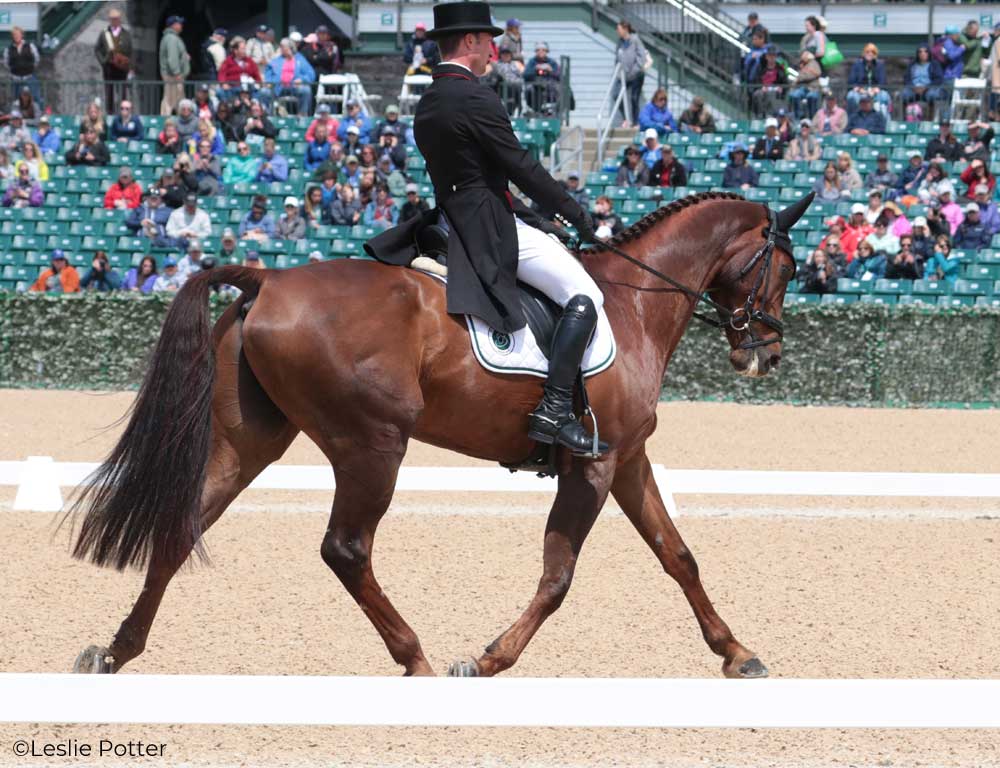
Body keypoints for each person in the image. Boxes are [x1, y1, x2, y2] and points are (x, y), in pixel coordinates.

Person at [366, 2, 605, 455]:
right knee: (587, 294)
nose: (495, 49)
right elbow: (519, 166)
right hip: (488, 224)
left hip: (451, 218)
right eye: (489, 40)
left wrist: (539, 218)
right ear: (472, 41)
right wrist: (576, 214)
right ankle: (554, 411)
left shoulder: (430, 100)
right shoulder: (475, 96)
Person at [264, 38, 316, 115]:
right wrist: (269, 82)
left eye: (283, 46)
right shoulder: (276, 60)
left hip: (294, 87)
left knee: (305, 90)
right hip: (278, 87)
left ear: (290, 47)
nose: (280, 48)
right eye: (280, 46)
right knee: (264, 92)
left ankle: (302, 115)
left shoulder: (300, 59)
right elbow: (268, 73)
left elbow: (311, 74)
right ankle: (268, 116)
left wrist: (302, 80)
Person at [94, 8, 132, 110]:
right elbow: (97, 49)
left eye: (116, 18)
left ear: (119, 19)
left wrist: (128, 65)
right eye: (112, 19)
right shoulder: (104, 33)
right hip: (109, 67)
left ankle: (123, 111)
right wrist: (103, 61)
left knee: (122, 92)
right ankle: (110, 112)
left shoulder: (126, 34)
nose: (115, 21)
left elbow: (130, 51)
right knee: (109, 91)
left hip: (122, 67)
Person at [615, 22, 649, 128]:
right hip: (624, 75)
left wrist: (634, 71)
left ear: (625, 29)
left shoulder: (635, 40)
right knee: (616, 95)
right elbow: (617, 58)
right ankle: (626, 119)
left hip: (637, 74)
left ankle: (635, 122)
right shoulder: (620, 42)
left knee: (634, 98)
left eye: (619, 29)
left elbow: (642, 56)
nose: (617, 31)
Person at [159, 15, 190, 117]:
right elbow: (172, 58)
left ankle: (182, 122)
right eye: (179, 23)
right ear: (174, 25)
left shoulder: (171, 38)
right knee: (169, 102)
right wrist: (177, 73)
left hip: (174, 76)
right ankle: (163, 124)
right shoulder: (172, 38)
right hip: (173, 77)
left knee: (179, 103)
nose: (181, 25)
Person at [901, 46, 946, 116]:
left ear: (929, 53)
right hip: (913, 88)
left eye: (925, 51)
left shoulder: (934, 64)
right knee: (904, 94)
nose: (923, 53)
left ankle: (930, 119)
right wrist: (913, 87)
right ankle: (905, 119)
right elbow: (906, 78)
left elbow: (939, 79)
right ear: (917, 54)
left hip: (928, 88)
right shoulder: (912, 65)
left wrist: (926, 87)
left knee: (932, 95)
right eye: (920, 52)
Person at [4, 25, 41, 108]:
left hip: (30, 76)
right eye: (14, 35)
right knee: (16, 100)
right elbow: (6, 63)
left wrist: (29, 68)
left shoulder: (30, 46)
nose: (16, 36)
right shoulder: (8, 49)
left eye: (18, 34)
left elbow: (36, 59)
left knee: (35, 98)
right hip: (16, 78)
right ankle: (18, 118)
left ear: (22, 35)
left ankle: (38, 116)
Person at [847, 43, 889, 113]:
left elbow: (883, 81)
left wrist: (875, 90)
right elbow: (851, 81)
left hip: (875, 92)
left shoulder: (880, 65)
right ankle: (856, 117)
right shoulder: (857, 64)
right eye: (867, 52)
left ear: (875, 54)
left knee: (884, 96)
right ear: (864, 53)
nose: (870, 54)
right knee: (851, 96)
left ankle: (882, 120)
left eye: (872, 52)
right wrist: (860, 90)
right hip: (860, 92)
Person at [749, 45, 787, 117]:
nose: (771, 58)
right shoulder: (760, 67)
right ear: (766, 57)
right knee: (758, 94)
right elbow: (756, 80)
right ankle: (760, 115)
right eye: (770, 55)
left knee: (773, 96)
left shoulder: (780, 68)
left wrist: (781, 88)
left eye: (773, 56)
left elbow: (784, 82)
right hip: (763, 89)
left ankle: (774, 115)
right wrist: (761, 87)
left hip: (775, 90)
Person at [524, 42, 561, 116]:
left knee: (559, 89)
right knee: (530, 90)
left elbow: (559, 76)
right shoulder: (532, 62)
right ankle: (536, 111)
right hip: (535, 88)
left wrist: (550, 70)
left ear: (547, 51)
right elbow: (525, 75)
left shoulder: (552, 62)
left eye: (543, 50)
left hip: (550, 88)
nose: (540, 52)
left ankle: (553, 112)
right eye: (538, 50)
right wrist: (535, 69)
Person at [485, 46, 524, 116]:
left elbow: (525, 73)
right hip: (501, 88)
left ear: (511, 54)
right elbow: (484, 72)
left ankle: (517, 108)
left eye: (507, 53)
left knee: (517, 86)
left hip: (515, 87)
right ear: (500, 55)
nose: (506, 55)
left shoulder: (516, 64)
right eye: (503, 53)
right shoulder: (495, 64)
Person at [788, 50, 822, 120]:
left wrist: (801, 78)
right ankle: (798, 117)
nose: (802, 57)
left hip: (813, 88)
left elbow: (815, 74)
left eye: (804, 55)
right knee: (795, 95)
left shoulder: (814, 63)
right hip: (802, 88)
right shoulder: (802, 65)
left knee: (811, 96)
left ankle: (812, 118)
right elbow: (799, 76)